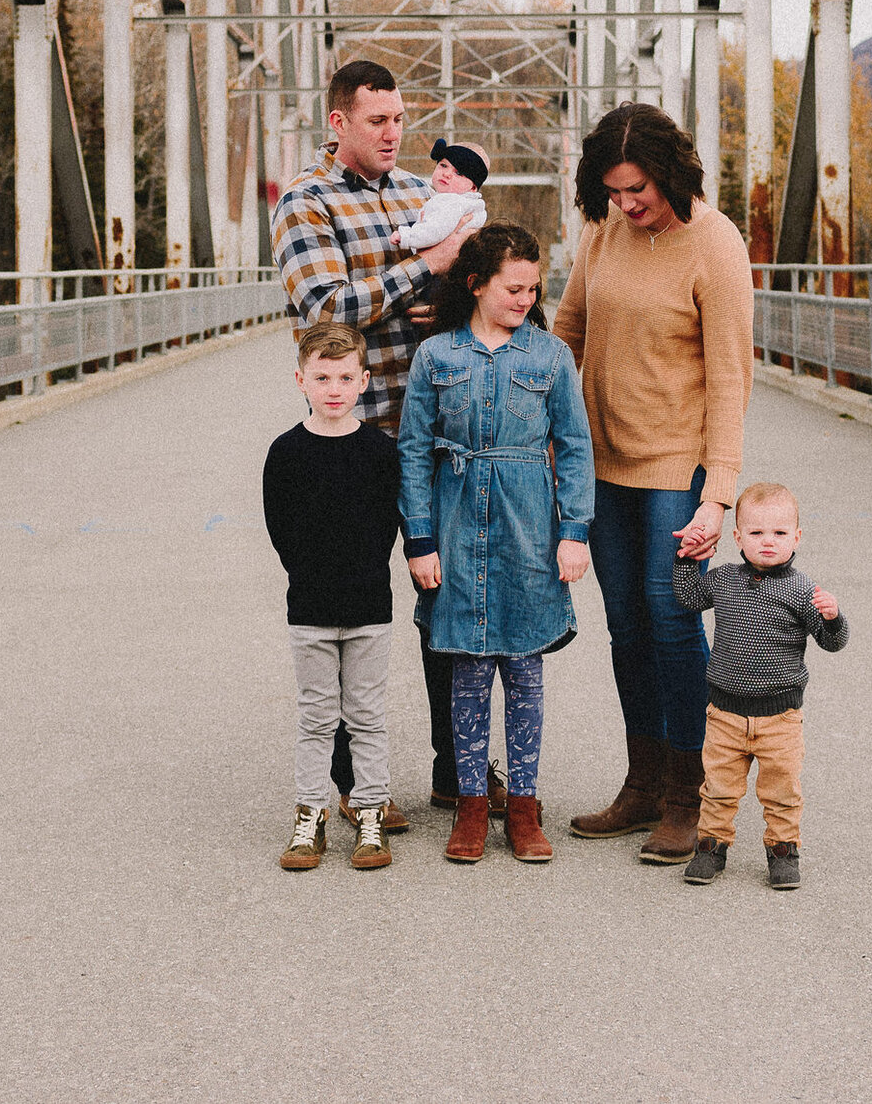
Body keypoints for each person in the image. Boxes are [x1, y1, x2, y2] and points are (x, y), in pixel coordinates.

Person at [272, 59, 488, 822]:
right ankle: (353, 783)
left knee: (449, 602)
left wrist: (449, 302)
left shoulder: (424, 195)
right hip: (351, 441)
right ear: (338, 123)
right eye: (377, 120)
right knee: (345, 599)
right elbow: (327, 311)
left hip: (430, 430)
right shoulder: (307, 202)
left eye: (399, 118)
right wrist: (423, 268)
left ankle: (457, 766)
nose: (394, 132)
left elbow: (477, 287)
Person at [553, 102, 756, 865]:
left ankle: (688, 792)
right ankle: (641, 782)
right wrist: (534, 419)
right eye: (614, 191)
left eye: (637, 189)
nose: (628, 204)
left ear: (670, 172)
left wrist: (719, 493)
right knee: (627, 624)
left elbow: (732, 374)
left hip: (677, 465)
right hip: (601, 462)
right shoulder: (604, 230)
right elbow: (568, 329)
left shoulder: (715, 242)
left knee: (673, 622)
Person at [398, 224, 596, 865]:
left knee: (527, 671)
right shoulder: (436, 358)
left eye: (534, 288)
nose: (525, 298)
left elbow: (573, 447)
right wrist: (420, 540)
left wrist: (574, 533)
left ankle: (526, 807)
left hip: (528, 528)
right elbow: (412, 454)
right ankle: (472, 803)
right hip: (456, 527)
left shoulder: (550, 357)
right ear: (476, 284)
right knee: (468, 672)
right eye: (513, 287)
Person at [263, 323, 406, 872]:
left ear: (364, 381)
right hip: (311, 611)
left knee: (367, 715)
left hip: (369, 608)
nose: (334, 388)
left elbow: (383, 525)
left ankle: (369, 812)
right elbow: (283, 529)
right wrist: (310, 576)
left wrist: (364, 574)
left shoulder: (378, 450)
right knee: (317, 717)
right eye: (321, 377)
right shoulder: (287, 452)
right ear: (301, 379)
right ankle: (311, 814)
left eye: (345, 377)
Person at [671, 482, 848, 891]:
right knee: (717, 787)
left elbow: (831, 642)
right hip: (725, 714)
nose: (768, 542)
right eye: (756, 533)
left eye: (780, 533)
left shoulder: (802, 591)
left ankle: (783, 851)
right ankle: (711, 848)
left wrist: (834, 617)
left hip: (780, 717)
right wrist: (686, 560)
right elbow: (688, 596)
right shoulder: (724, 580)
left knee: (782, 789)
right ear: (737, 538)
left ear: (797, 537)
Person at [396, 138, 491, 251]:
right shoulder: (466, 203)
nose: (446, 174)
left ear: (473, 187)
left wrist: (406, 236)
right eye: (443, 165)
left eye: (459, 173)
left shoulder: (453, 203)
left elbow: (436, 230)